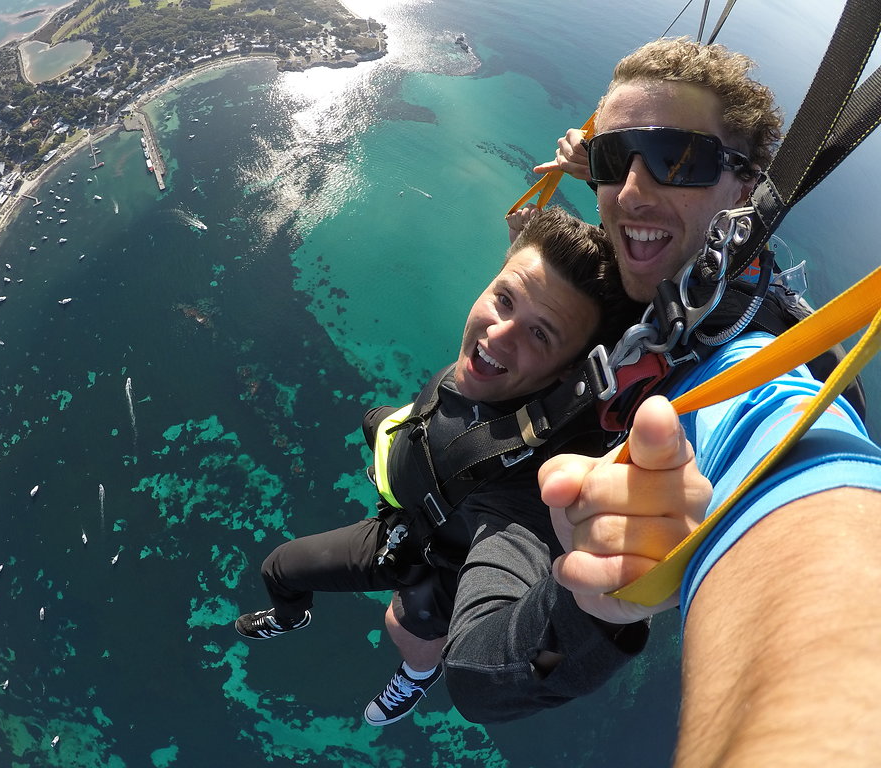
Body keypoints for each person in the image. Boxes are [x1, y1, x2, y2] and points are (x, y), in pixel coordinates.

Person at [443, 36, 881, 763]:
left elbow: (802, 487)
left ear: (743, 185)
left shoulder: (749, 362)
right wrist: (597, 167)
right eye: (620, 161)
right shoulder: (671, 258)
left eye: (680, 159)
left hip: (544, 495)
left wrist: (592, 607)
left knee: (435, 641)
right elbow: (635, 206)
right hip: (520, 439)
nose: (635, 192)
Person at [234, 205, 648, 727]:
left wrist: (591, 620)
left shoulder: (528, 488)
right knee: (278, 567)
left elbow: (487, 676)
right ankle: (293, 617)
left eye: (540, 334)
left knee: (406, 622)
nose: (498, 336)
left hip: (437, 558)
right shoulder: (494, 371)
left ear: (569, 372)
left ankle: (416, 674)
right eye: (503, 298)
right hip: (410, 503)